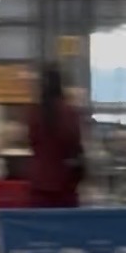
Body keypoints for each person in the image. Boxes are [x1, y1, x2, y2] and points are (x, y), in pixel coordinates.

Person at [26, 64, 85, 208]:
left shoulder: (35, 112)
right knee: (65, 220)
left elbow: (32, 141)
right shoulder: (68, 112)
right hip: (64, 183)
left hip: (39, 183)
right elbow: (74, 143)